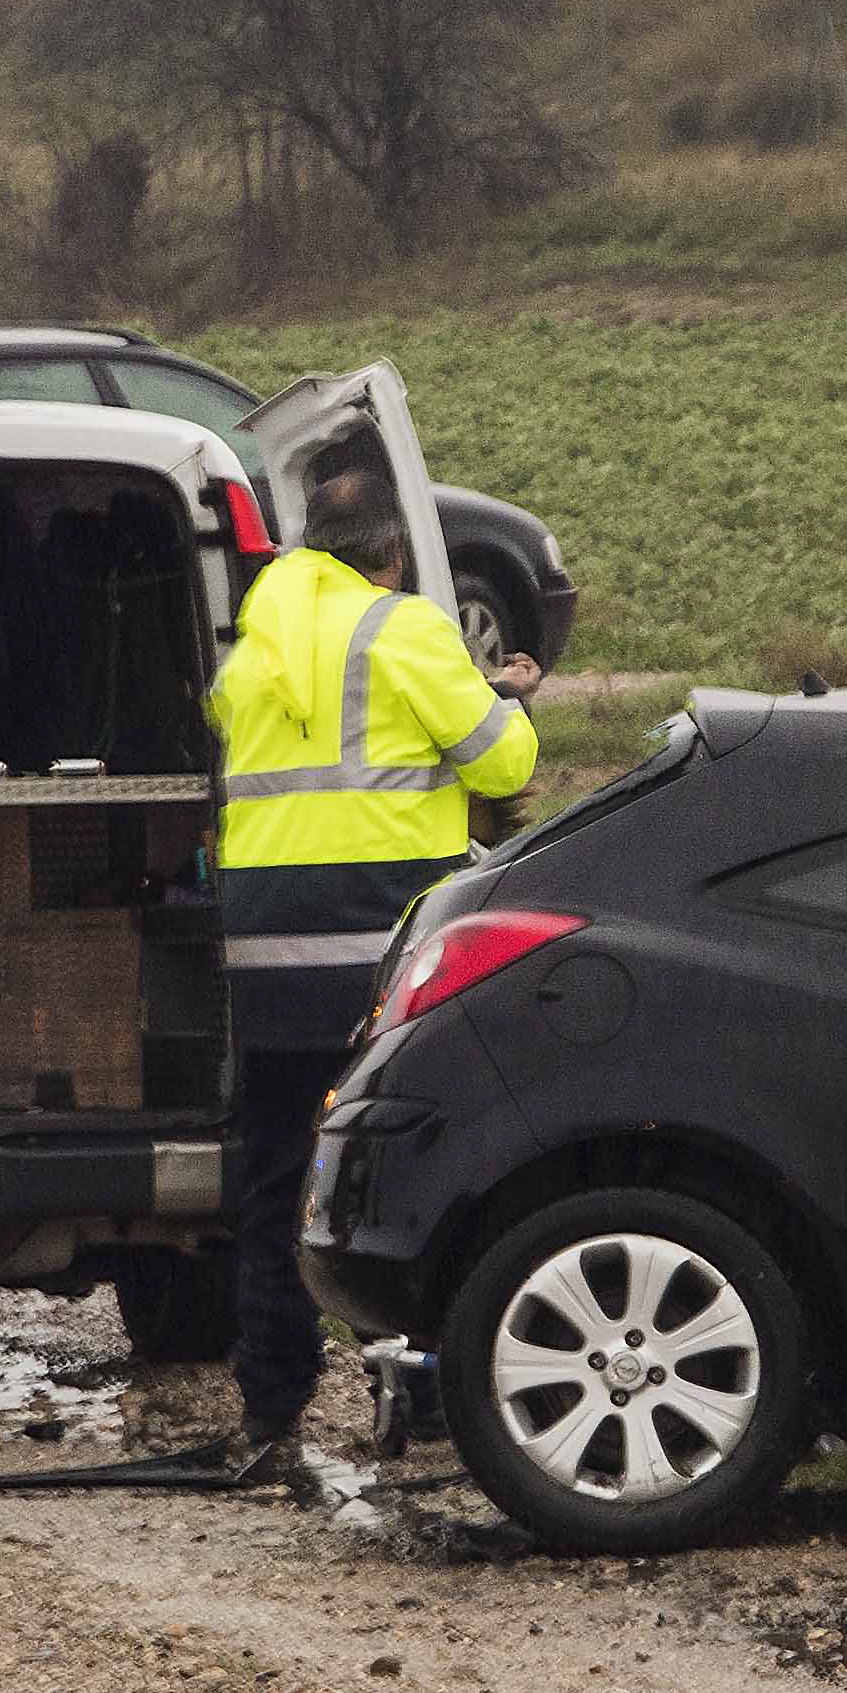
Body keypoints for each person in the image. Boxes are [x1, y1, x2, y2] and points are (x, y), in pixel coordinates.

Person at [208, 439, 539, 1449]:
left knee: (274, 1180)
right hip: (384, 954)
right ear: (393, 551)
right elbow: (503, 762)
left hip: (267, 958)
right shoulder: (403, 628)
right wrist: (505, 691)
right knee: (415, 1167)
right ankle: (425, 1397)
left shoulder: (253, 645)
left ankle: (269, 1406)